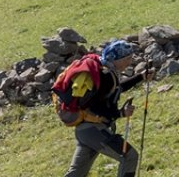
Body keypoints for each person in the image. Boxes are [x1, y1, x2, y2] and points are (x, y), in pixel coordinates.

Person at [61, 40, 148, 177]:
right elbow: (95, 106)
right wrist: (120, 113)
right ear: (116, 59)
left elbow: (116, 88)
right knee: (129, 156)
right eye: (127, 58)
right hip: (94, 130)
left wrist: (140, 77)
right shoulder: (105, 75)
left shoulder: (106, 72)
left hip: (86, 131)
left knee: (76, 173)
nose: (129, 62)